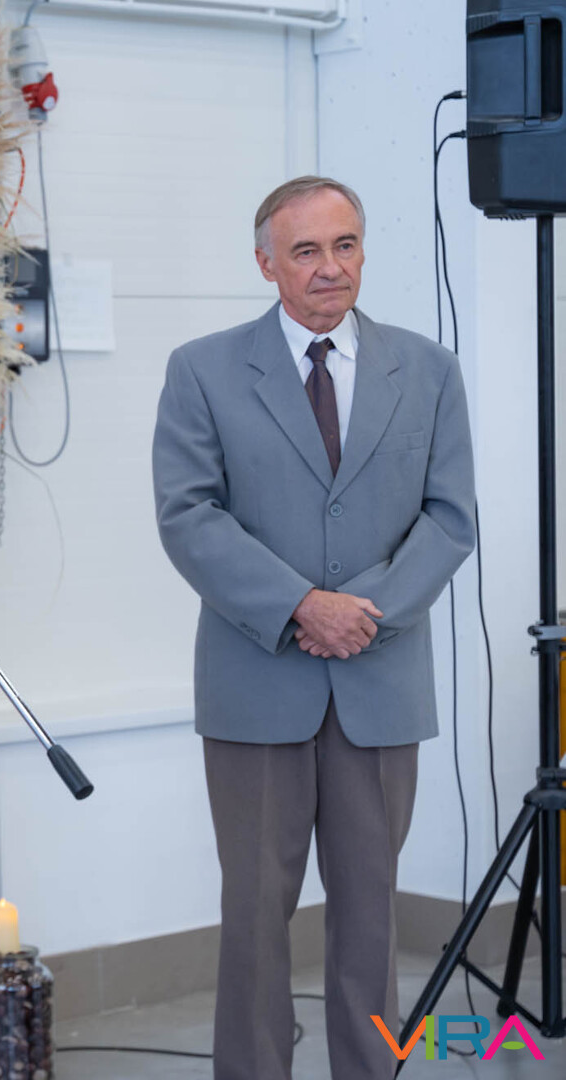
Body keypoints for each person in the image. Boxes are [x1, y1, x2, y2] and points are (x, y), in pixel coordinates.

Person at [151, 175, 476, 1080]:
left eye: (345, 245)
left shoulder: (430, 370)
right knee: (256, 911)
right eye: (305, 251)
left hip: (381, 680)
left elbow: (450, 519)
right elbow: (188, 516)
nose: (330, 267)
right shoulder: (203, 370)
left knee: (371, 912)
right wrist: (301, 605)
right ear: (266, 264)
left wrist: (366, 613)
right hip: (257, 685)